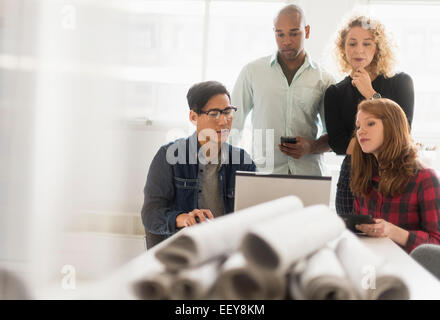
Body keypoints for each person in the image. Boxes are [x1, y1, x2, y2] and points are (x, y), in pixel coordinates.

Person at [141, 81, 256, 248]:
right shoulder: (169, 156)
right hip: (186, 250)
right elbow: (150, 215)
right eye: (214, 113)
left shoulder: (242, 160)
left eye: (227, 112)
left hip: (228, 249)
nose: (224, 121)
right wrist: (184, 218)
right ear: (193, 117)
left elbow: (257, 211)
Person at [324, 15, 414, 215]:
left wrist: (370, 94)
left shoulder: (401, 82)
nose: (359, 50)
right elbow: (338, 144)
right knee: (353, 238)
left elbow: (403, 131)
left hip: (395, 173)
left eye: (367, 43)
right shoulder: (335, 92)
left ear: (378, 47)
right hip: (354, 176)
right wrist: (380, 137)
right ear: (343, 48)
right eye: (352, 43)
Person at [231, 4, 334, 175]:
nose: (286, 41)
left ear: (307, 31)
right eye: (280, 34)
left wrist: (311, 147)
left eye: (294, 33)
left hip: (308, 176)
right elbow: (234, 123)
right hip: (263, 174)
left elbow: (334, 135)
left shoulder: (324, 79)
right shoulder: (252, 72)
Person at [351, 98, 440, 254]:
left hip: (410, 272)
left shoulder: (425, 179)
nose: (360, 131)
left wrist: (392, 231)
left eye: (370, 123)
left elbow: (436, 245)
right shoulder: (365, 176)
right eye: (358, 126)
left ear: (392, 126)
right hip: (372, 265)